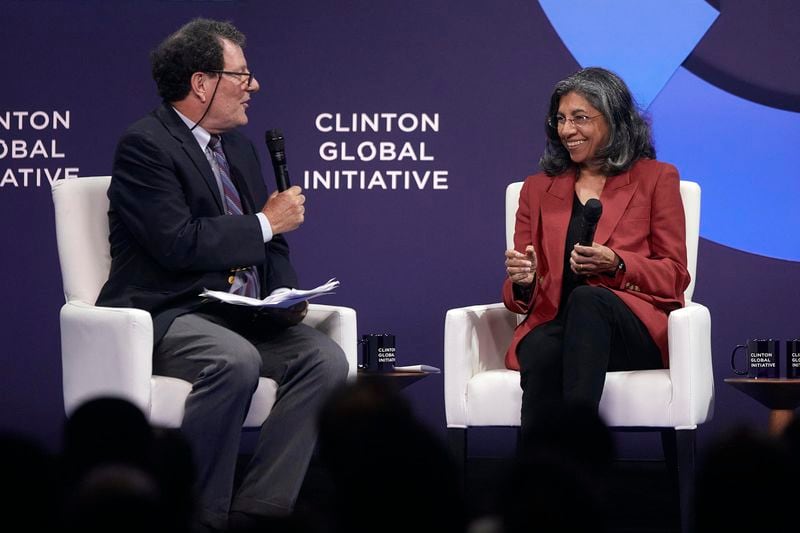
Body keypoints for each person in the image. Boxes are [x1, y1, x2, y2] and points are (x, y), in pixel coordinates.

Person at [95, 18, 349, 531]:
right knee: (233, 361)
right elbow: (177, 242)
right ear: (201, 82)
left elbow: (270, 243)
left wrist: (283, 292)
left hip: (238, 312)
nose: (253, 86)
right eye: (242, 74)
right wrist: (264, 220)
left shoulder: (239, 148)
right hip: (171, 309)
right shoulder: (146, 146)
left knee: (323, 358)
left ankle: (259, 510)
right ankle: (195, 515)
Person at [502, 67, 689, 442]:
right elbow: (518, 293)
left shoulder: (657, 178)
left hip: (630, 334)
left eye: (580, 118)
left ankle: (576, 458)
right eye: (560, 119)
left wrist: (618, 264)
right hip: (558, 325)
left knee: (589, 300)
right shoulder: (537, 190)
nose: (567, 130)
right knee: (539, 348)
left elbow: (674, 277)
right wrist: (522, 281)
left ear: (616, 120)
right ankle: (539, 478)